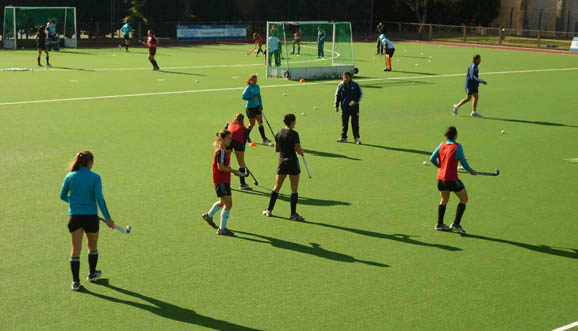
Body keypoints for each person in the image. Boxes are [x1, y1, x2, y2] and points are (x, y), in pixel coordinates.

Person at [59, 151, 115, 291]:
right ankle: (92, 274)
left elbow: (62, 196)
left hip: (75, 217)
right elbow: (99, 199)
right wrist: (108, 218)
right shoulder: (95, 177)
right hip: (91, 218)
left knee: (75, 250)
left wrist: (75, 203)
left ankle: (75, 282)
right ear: (90, 163)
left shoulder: (70, 176)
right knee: (93, 247)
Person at [429, 126, 477, 234]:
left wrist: (440, 167)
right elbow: (463, 162)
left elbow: (432, 158)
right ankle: (456, 224)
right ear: (456, 135)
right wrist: (470, 171)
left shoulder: (441, 145)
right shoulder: (457, 147)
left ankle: (439, 224)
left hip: (441, 179)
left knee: (444, 200)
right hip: (451, 179)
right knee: (464, 199)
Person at [263, 114, 305, 221]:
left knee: (277, 186)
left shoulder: (279, 133)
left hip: (281, 162)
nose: (295, 123)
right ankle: (293, 214)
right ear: (291, 122)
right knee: (294, 188)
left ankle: (269, 210)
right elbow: (299, 151)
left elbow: (276, 149)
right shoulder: (294, 134)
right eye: (294, 121)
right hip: (292, 162)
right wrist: (301, 150)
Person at [202, 130, 241, 237]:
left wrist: (232, 170)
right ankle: (222, 229)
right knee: (229, 204)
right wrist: (233, 171)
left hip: (223, 181)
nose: (230, 140)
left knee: (222, 203)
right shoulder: (221, 152)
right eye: (228, 138)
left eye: (230, 138)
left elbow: (224, 166)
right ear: (222, 139)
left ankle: (208, 216)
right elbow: (221, 167)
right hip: (221, 181)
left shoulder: (223, 150)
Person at [334, 71, 363, 144]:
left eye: (347, 77)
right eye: (344, 77)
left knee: (355, 124)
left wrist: (356, 101)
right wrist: (336, 105)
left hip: (354, 108)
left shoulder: (355, 84)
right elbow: (337, 96)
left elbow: (360, 94)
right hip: (344, 108)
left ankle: (357, 138)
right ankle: (344, 137)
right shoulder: (340, 85)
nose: (345, 78)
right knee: (344, 124)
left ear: (350, 77)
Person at [242, 74, 271, 144]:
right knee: (252, 124)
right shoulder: (248, 88)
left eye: (256, 80)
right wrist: (251, 98)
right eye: (254, 80)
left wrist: (260, 105)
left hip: (257, 107)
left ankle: (263, 138)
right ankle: (245, 136)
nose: (255, 81)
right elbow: (243, 97)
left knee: (260, 122)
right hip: (250, 108)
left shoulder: (257, 87)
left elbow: (259, 96)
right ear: (250, 80)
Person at [225, 113, 251, 190]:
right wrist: (241, 152)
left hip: (228, 140)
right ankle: (242, 184)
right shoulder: (243, 127)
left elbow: (224, 133)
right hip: (238, 142)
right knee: (241, 164)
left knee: (226, 162)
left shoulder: (229, 124)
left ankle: (226, 184)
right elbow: (244, 140)